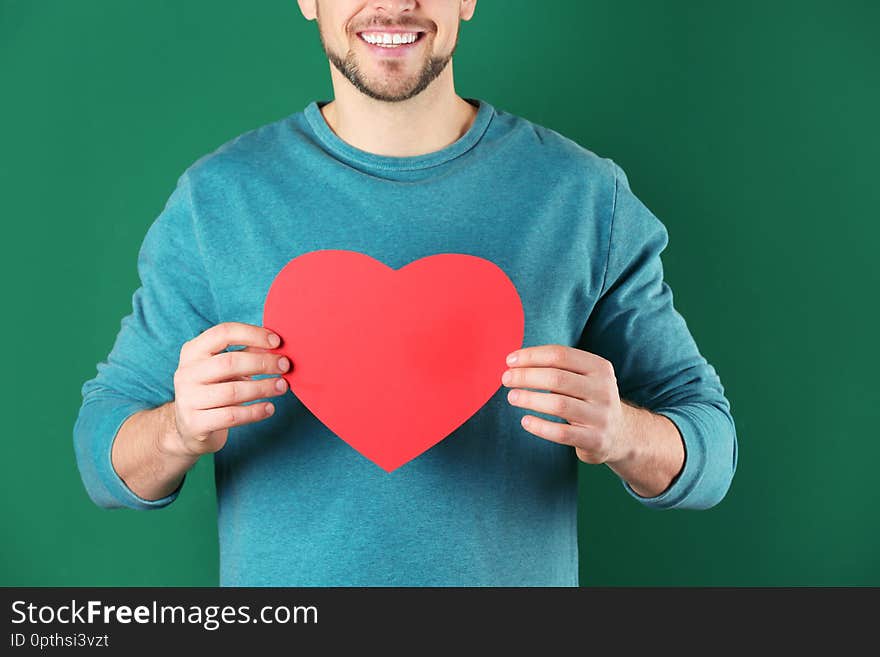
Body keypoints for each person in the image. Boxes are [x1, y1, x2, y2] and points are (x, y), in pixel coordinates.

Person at [73, 0, 738, 586]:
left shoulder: (585, 197)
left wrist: (623, 433)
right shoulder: (218, 201)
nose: (393, 3)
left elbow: (710, 446)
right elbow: (103, 453)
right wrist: (179, 429)